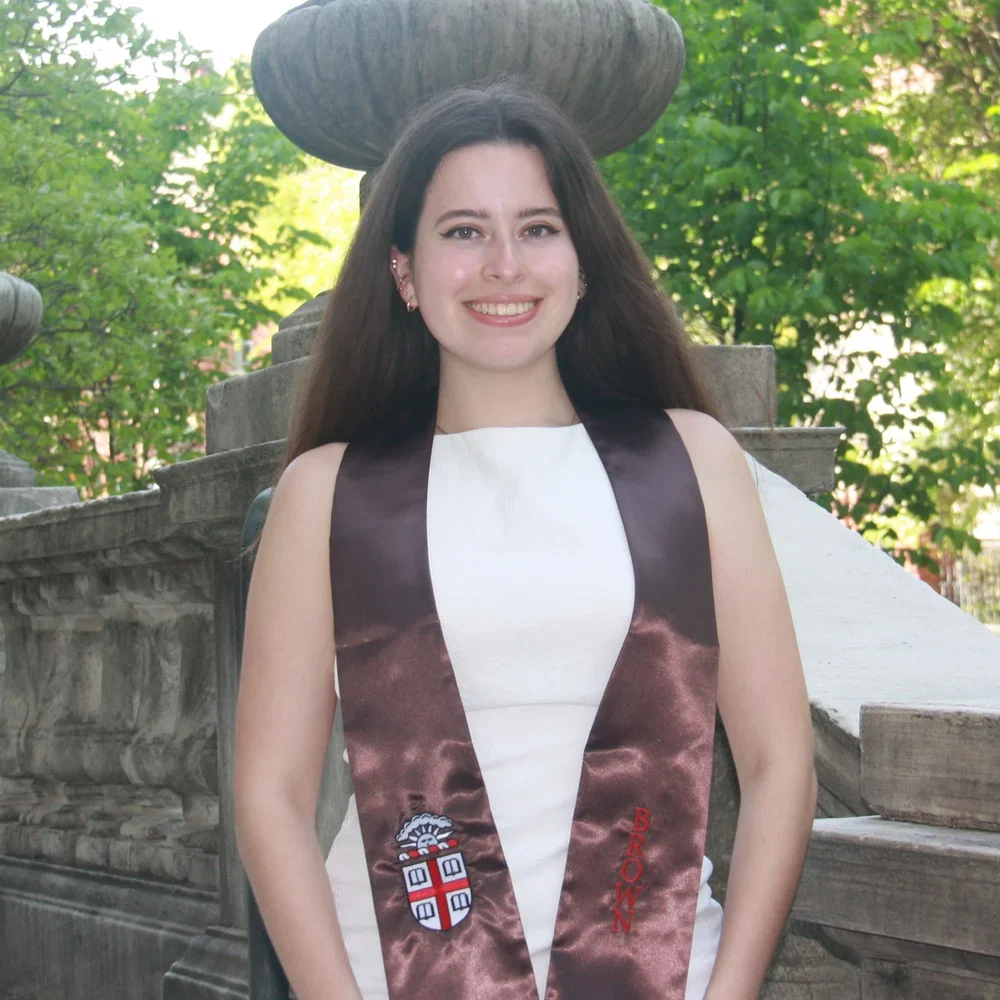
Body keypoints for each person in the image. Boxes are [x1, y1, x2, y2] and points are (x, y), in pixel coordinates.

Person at [234, 80, 817, 1000]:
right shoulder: (328, 495)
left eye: (538, 228)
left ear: (583, 261)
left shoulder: (691, 464)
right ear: (404, 271)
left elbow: (782, 762)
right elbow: (269, 795)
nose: (504, 264)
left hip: (666, 970)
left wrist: (730, 992)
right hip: (392, 969)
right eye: (464, 231)